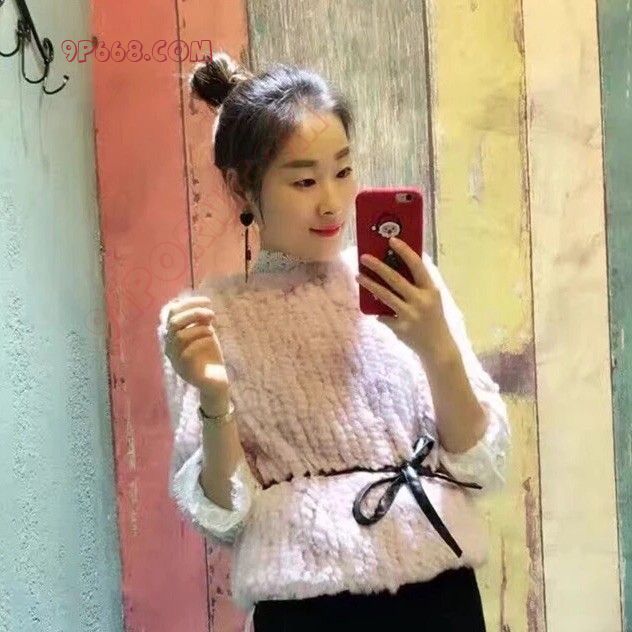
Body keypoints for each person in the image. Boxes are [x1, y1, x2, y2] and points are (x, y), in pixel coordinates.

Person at [156, 51, 511, 631]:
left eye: (343, 171)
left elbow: (481, 465)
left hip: (441, 596)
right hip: (307, 608)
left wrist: (436, 345)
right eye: (304, 180)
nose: (331, 201)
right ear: (242, 187)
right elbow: (223, 516)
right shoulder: (207, 321)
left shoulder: (408, 282)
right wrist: (215, 398)